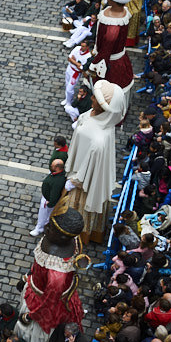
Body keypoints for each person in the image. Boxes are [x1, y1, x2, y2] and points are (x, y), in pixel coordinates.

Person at [15, 207, 87, 342]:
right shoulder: (67, 240)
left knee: (36, 336)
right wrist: (29, 276)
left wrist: (30, 316)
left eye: (52, 228)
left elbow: (48, 304)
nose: (46, 227)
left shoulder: (57, 276)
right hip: (37, 289)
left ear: (64, 236)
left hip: (43, 307)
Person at [62, 80, 127, 243]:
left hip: (82, 183)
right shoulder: (94, 115)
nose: (92, 99)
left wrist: (74, 181)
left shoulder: (100, 139)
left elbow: (90, 167)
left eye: (96, 99)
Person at [31, 159, 66, 237]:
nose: (50, 166)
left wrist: (50, 203)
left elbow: (54, 193)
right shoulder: (57, 174)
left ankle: (40, 228)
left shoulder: (58, 181)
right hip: (47, 197)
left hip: (48, 200)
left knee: (44, 214)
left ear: (57, 168)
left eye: (52, 166)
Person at [64, 40, 92, 108]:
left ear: (87, 47)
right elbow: (69, 58)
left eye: (83, 46)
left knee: (69, 89)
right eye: (81, 45)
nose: (81, 47)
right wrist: (77, 63)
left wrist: (74, 61)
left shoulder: (88, 56)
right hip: (69, 68)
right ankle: (67, 99)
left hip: (75, 73)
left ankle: (69, 102)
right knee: (67, 84)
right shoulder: (77, 48)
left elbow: (82, 68)